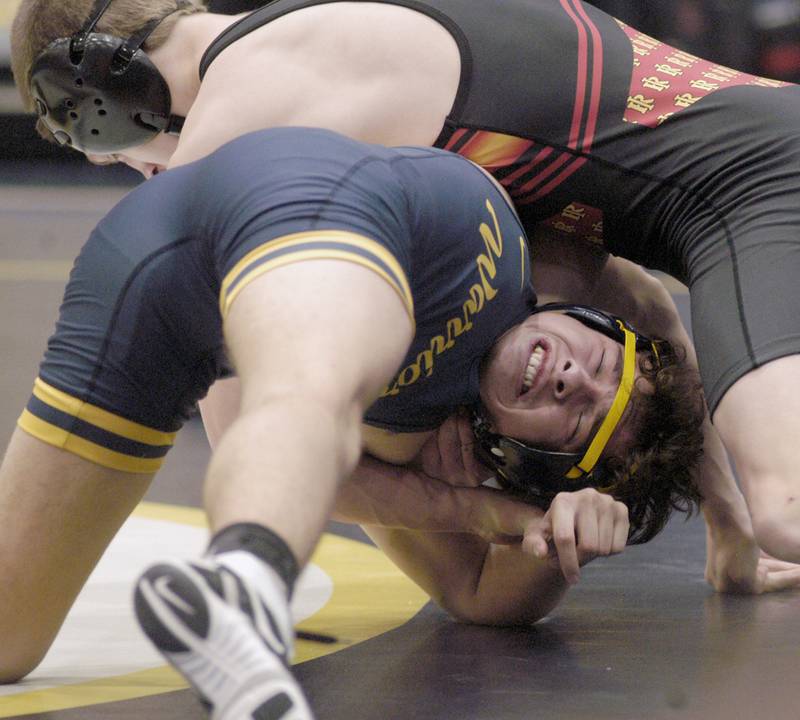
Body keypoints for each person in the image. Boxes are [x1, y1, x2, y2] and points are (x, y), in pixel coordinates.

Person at [11, 0, 800, 576]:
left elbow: (254, 441)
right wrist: (726, 529)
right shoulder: (320, 29)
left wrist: (473, 509)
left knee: (787, 510)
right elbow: (644, 303)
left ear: (100, 97)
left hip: (756, 188)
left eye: (102, 145)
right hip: (752, 162)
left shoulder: (241, 118)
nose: (130, 168)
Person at [0, 127, 707, 718]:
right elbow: (648, 297)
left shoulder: (411, 438)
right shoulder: (533, 257)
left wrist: (546, 530)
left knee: (9, 643)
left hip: (143, 288)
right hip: (298, 207)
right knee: (317, 386)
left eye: (582, 420)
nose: (574, 379)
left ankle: (241, 587)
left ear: (533, 462)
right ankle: (244, 586)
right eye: (604, 363)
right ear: (587, 317)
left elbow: (480, 594)